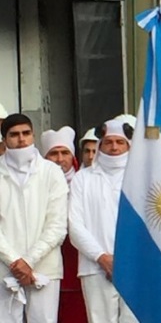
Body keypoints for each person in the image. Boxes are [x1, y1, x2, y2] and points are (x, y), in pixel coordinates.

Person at [0, 113, 68, 323]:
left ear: (33, 135)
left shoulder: (51, 172)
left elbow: (57, 226)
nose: (21, 139)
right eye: (14, 135)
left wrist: (29, 261)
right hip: (4, 267)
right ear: (4, 139)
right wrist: (15, 261)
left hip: (45, 267)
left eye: (26, 133)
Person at [68, 119, 138, 323]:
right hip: (94, 267)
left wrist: (125, 259)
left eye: (120, 142)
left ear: (128, 145)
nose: (114, 147)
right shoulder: (83, 178)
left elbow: (147, 225)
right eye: (108, 142)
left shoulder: (140, 178)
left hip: (134, 265)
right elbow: (75, 225)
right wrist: (101, 257)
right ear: (100, 144)